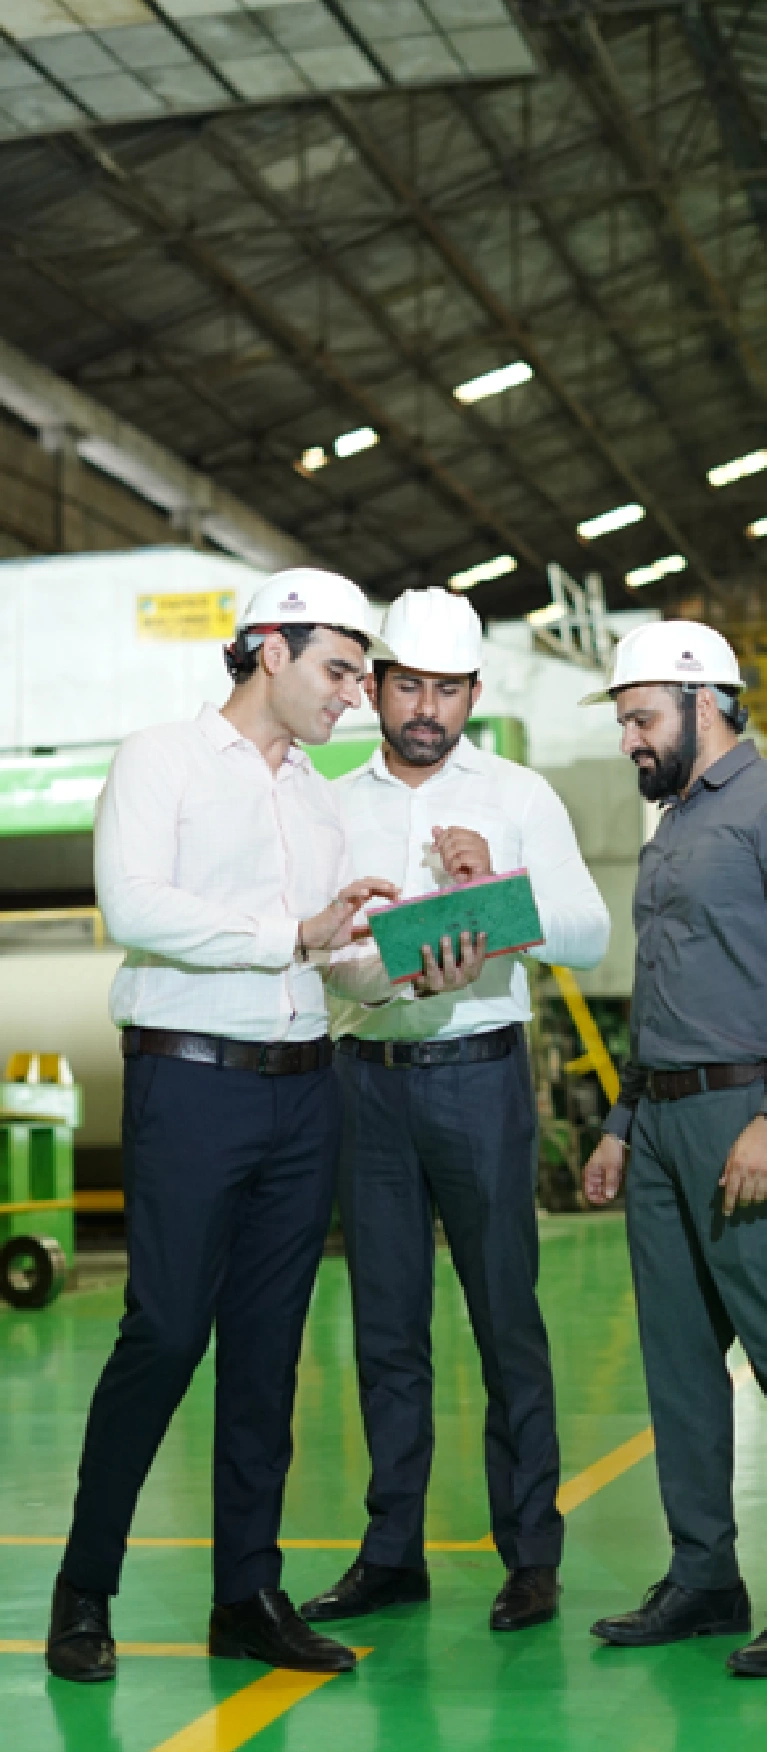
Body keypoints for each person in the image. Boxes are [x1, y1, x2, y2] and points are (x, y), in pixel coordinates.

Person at [46, 568, 399, 1684]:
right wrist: (293, 932)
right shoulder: (162, 759)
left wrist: (407, 966)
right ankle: (84, 1591)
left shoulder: (321, 800)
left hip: (305, 1088)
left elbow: (337, 959)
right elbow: (136, 905)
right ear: (271, 650)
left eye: (361, 676)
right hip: (189, 1083)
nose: (354, 694)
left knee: (266, 1353)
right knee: (163, 1334)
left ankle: (247, 1594)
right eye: (340, 669)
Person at [299, 587, 610, 1634]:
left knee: (505, 1320)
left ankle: (531, 1556)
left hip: (481, 1079)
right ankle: (393, 1554)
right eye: (407, 687)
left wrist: (492, 885)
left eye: (446, 690)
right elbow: (325, 958)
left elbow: (588, 933)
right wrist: (397, 972)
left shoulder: (520, 794)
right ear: (375, 688)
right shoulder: (328, 804)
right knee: (387, 1329)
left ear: (474, 692)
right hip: (367, 1082)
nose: (426, 710)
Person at [582, 619, 767, 1679]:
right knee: (678, 1366)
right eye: (624, 722)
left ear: (705, 703)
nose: (630, 740)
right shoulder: (675, 825)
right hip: (661, 1123)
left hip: (745, 1116)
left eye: (641, 718)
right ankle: (704, 1577)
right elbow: (663, 990)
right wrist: (622, 1123)